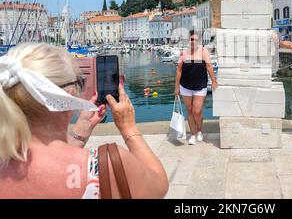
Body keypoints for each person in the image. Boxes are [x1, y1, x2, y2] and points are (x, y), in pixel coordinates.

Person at [0, 43, 168, 199]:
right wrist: (128, 128)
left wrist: (81, 132)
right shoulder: (104, 168)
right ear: (68, 96)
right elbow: (159, 186)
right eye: (80, 81)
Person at [175, 30, 218, 145]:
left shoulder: (203, 51)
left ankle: (199, 131)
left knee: (197, 111)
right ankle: (193, 134)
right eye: (191, 39)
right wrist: (177, 87)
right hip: (185, 86)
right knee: (189, 111)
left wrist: (214, 81)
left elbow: (209, 66)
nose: (193, 41)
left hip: (200, 85)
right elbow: (179, 70)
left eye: (195, 39)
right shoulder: (183, 53)